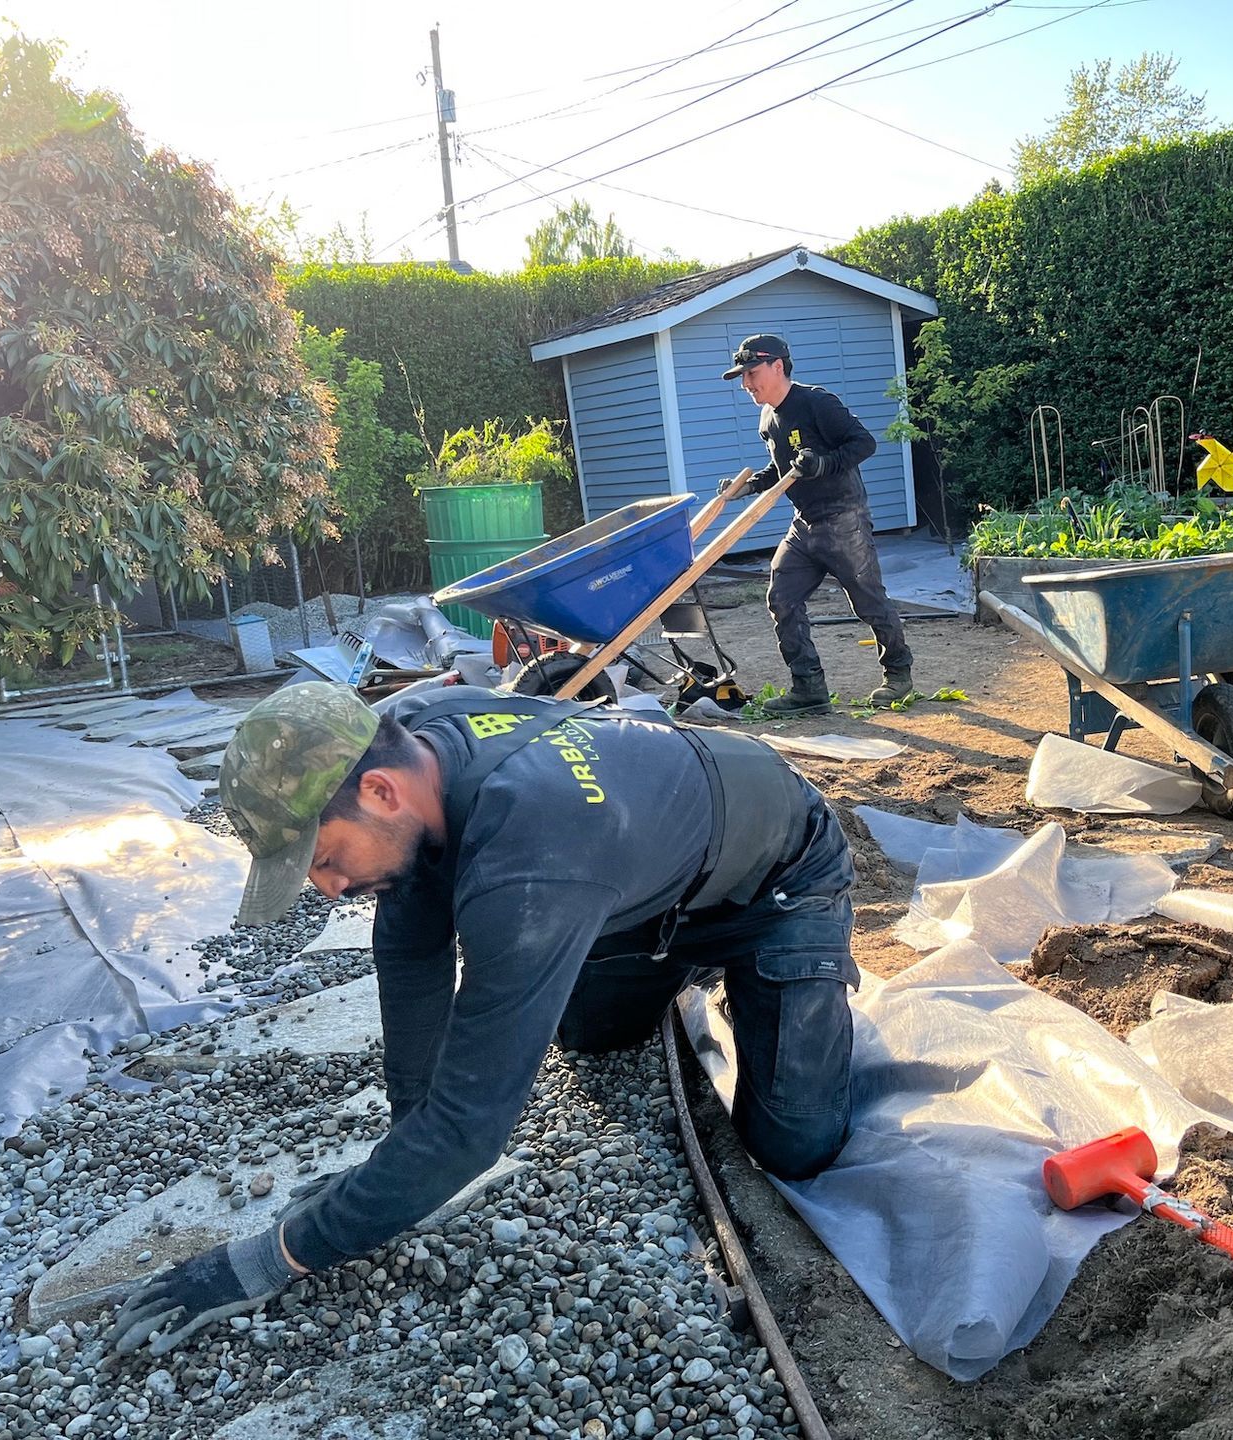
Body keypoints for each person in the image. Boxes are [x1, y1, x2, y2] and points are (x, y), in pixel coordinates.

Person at [105, 679, 858, 1356]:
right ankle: (670, 944)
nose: (329, 889)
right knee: (587, 1036)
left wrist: (272, 1258)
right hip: (640, 875)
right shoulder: (405, 742)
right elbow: (410, 954)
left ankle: (768, 974)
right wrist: (401, 1160)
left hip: (778, 882)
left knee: (794, 1144)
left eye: (326, 859)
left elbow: (470, 1131)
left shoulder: (534, 854)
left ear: (380, 793)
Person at [718, 333, 915, 715]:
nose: (746, 384)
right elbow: (782, 470)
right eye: (742, 377)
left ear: (777, 366)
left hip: (844, 519)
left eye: (752, 373)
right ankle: (809, 688)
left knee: (869, 602)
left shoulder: (816, 402)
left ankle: (898, 675)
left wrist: (823, 464)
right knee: (782, 598)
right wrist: (749, 486)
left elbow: (863, 443)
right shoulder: (768, 418)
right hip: (804, 523)